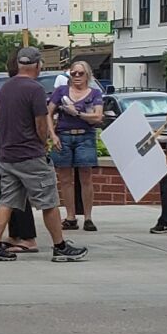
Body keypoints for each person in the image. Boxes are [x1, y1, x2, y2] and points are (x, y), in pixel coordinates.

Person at [0, 46, 87, 262]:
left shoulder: (6, 88)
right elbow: (41, 123)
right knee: (49, 201)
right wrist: (43, 143)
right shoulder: (35, 89)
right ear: (38, 65)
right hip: (30, 154)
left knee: (7, 201)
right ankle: (59, 246)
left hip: (7, 154)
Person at [49, 61, 104, 232]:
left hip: (85, 136)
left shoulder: (94, 93)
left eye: (81, 73)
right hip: (64, 135)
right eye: (73, 73)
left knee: (86, 177)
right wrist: (52, 135)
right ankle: (70, 216)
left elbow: (98, 117)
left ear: (87, 75)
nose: (77, 77)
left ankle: (88, 217)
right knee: (65, 178)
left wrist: (77, 113)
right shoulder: (61, 92)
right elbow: (47, 113)